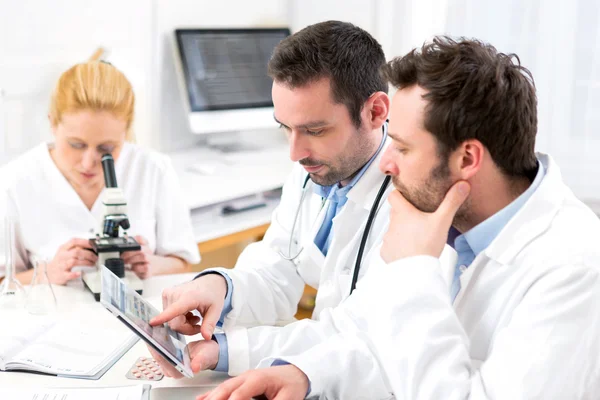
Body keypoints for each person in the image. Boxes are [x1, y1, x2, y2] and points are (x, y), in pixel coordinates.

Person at [198, 37, 600, 400]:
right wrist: (305, 375)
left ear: (467, 159)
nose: (386, 164)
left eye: (403, 149)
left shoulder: (572, 266)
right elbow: (374, 341)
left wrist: (412, 270)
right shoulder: (450, 223)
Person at [148, 20, 393, 376]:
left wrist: (228, 351)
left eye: (314, 130)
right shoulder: (315, 167)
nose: (294, 153)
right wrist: (221, 286)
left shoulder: (409, 201)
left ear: (375, 112)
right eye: (285, 128)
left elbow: (360, 337)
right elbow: (279, 268)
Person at [0, 57, 200, 285]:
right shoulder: (14, 182)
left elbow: (183, 262)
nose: (88, 163)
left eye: (107, 149)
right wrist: (47, 273)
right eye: (76, 144)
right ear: (52, 124)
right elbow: (3, 281)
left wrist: (151, 264)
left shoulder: (153, 169)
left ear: (125, 133)